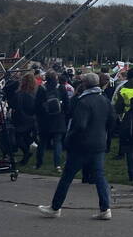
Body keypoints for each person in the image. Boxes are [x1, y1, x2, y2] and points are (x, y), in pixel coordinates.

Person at [39, 72, 114, 219]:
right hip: (99, 143)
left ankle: (55, 207)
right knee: (99, 176)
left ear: (84, 84)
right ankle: (105, 208)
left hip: (82, 145)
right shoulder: (104, 100)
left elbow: (79, 125)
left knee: (67, 177)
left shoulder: (83, 101)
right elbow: (112, 120)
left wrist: (69, 139)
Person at [113, 67, 133, 181]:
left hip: (128, 120)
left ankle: (132, 174)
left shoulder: (122, 89)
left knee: (129, 149)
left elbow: (117, 108)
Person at [35, 71, 69, 172]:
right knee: (57, 142)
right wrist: (64, 113)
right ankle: (57, 165)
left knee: (42, 142)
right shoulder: (61, 88)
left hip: (45, 120)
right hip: (58, 119)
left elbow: (37, 105)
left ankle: (39, 163)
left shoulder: (42, 88)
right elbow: (67, 103)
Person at [12, 72, 38, 166]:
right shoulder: (34, 94)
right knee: (26, 137)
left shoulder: (20, 94)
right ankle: (27, 155)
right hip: (31, 119)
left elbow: (16, 106)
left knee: (18, 138)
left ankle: (26, 153)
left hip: (21, 119)